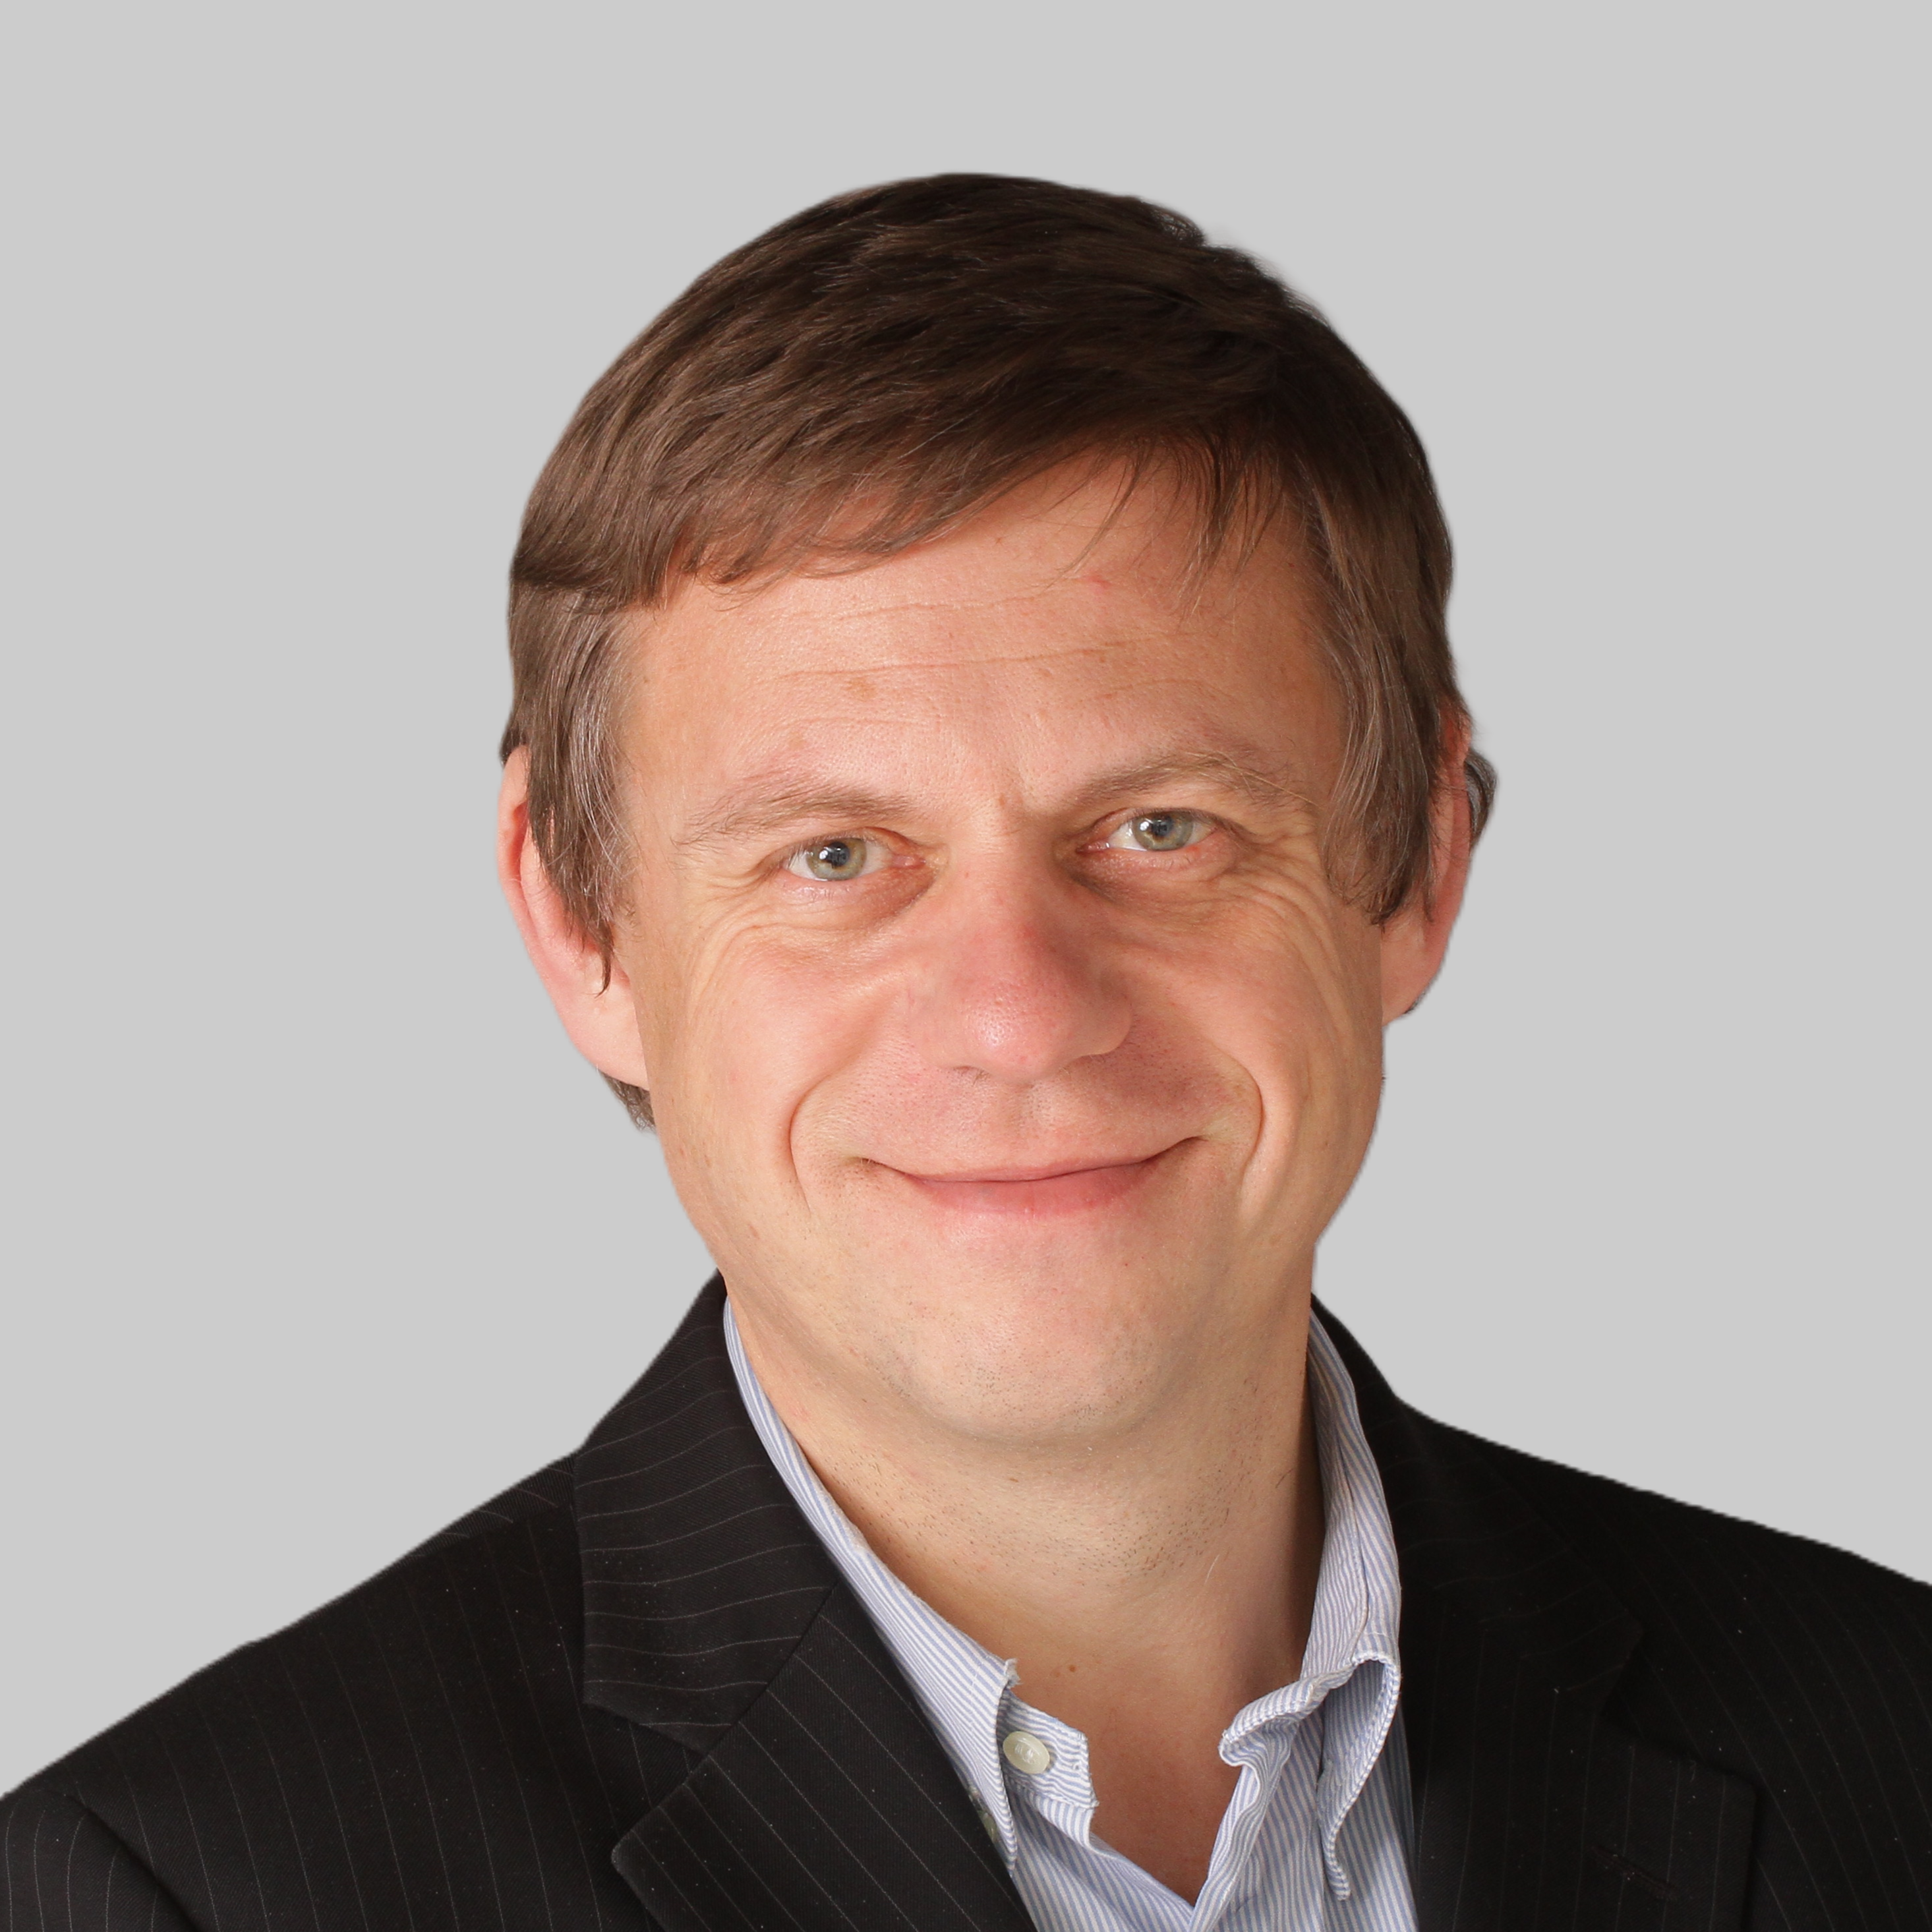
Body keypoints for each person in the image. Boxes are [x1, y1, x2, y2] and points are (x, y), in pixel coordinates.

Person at [3, 173, 1925, 1932]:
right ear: (582, 925)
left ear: (1416, 862)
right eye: (835, 856)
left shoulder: (1893, 1745)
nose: (1017, 1011)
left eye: (1162, 829)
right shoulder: (175, 1895)